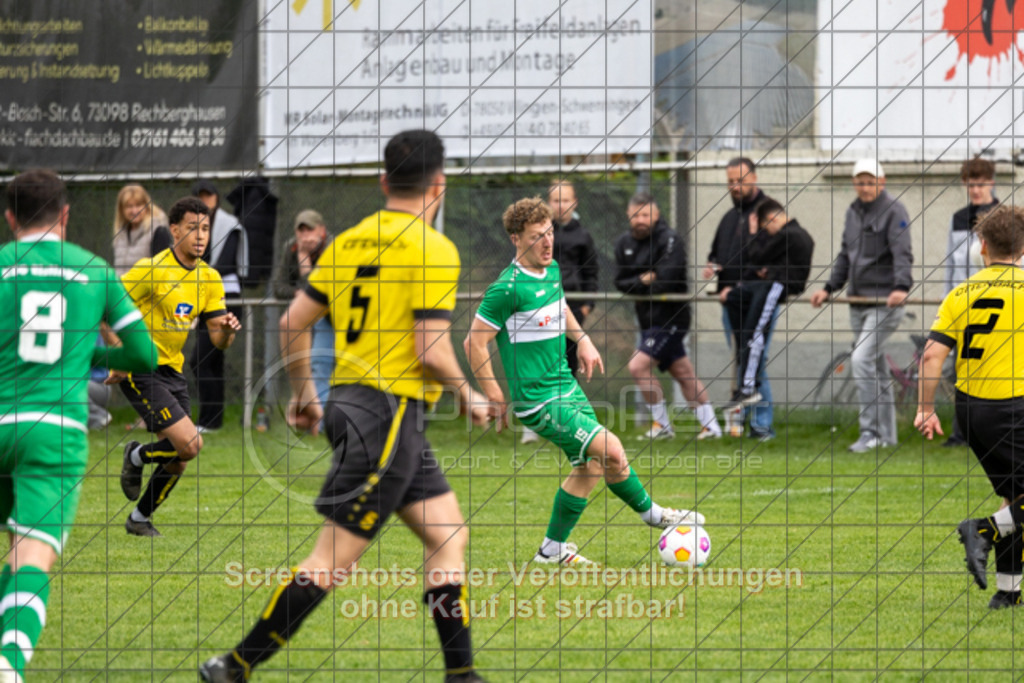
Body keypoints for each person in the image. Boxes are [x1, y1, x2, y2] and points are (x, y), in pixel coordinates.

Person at [200, 130, 496, 683]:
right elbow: (429, 349)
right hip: (385, 416)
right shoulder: (433, 247)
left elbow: (293, 323)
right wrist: (469, 393)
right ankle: (234, 665)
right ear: (439, 184)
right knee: (331, 559)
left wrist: (306, 398)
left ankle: (462, 676)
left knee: (447, 533)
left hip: (355, 407)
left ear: (384, 181)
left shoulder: (349, 242)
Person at [465, 196, 705, 567]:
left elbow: (560, 307)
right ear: (515, 239)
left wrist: (583, 340)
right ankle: (657, 517)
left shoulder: (552, 269)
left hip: (565, 386)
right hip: (537, 399)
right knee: (610, 448)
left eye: (549, 233)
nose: (547, 243)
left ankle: (552, 550)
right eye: (535, 236)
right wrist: (495, 393)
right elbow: (474, 341)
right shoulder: (507, 289)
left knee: (593, 465)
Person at [0, 169, 157, 681]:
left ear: (9, 219)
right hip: (53, 431)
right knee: (32, 554)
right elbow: (143, 354)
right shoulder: (94, 271)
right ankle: (9, 664)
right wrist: (79, 351)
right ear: (65, 216)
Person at [915, 204, 1024, 609]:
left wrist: (926, 409)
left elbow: (931, 357)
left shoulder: (961, 293)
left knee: (1017, 494)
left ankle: (1007, 592)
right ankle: (983, 530)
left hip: (970, 411)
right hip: (1013, 406)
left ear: (982, 246)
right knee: (1016, 501)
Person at [113, 197, 242, 537]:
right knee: (191, 444)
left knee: (179, 459)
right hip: (142, 365)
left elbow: (217, 338)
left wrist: (226, 333)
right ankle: (138, 456)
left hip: (173, 371)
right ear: (174, 230)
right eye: (191, 228)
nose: (200, 236)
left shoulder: (209, 278)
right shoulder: (152, 269)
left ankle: (139, 519)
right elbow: (107, 306)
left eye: (205, 229)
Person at [809, 159, 914, 452]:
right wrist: (829, 288)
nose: (865, 187)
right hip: (857, 301)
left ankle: (870, 432)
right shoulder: (853, 212)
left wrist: (901, 287)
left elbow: (903, 253)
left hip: (884, 303)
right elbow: (846, 254)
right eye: (860, 181)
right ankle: (887, 437)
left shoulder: (895, 211)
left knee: (860, 360)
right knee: (876, 368)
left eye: (870, 181)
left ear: (882, 182)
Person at [614, 191, 722, 441]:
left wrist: (643, 281)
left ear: (656, 214)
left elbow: (667, 278)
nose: (640, 220)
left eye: (646, 214)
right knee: (683, 372)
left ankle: (661, 426)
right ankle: (712, 428)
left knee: (637, 365)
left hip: (672, 319)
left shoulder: (670, 239)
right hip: (648, 320)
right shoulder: (624, 243)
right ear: (628, 215)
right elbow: (620, 282)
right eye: (636, 215)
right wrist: (644, 278)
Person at [521, 179, 598, 445]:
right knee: (539, 361)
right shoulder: (540, 232)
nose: (560, 205)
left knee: (566, 364)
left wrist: (586, 306)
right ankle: (533, 425)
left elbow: (592, 273)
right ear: (548, 203)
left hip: (571, 308)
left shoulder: (583, 235)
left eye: (565, 200)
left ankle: (568, 422)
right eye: (555, 200)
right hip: (539, 305)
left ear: (574, 202)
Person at [703, 157, 775, 438]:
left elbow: (769, 259)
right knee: (743, 360)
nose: (735, 186)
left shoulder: (768, 212)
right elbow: (717, 254)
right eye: (730, 182)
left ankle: (762, 425)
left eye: (740, 180)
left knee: (756, 360)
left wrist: (739, 285)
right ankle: (741, 421)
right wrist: (712, 266)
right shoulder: (729, 217)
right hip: (730, 304)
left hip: (759, 299)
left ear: (754, 178)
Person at [723, 199, 815, 413]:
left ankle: (748, 388)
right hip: (767, 283)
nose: (769, 232)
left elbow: (756, 256)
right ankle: (743, 342)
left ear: (773, 219)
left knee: (755, 334)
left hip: (775, 286)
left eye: (767, 227)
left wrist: (754, 232)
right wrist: (767, 269)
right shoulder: (792, 236)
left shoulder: (788, 234)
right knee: (734, 298)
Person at [941, 156, 1000, 448]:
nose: (975, 190)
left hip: (994, 306)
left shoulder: (1003, 218)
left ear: (991, 182)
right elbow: (952, 267)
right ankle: (960, 433)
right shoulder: (957, 218)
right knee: (959, 370)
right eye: (970, 184)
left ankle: (991, 432)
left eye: (981, 184)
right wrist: (946, 304)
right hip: (963, 305)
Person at [190, 179, 250, 432]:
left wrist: (196, 271)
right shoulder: (194, 228)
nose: (206, 201)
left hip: (226, 299)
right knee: (213, 362)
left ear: (216, 197)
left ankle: (208, 420)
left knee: (200, 360)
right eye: (200, 196)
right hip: (205, 298)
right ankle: (214, 420)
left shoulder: (229, 225)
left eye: (209, 195)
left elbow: (227, 264)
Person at [270, 209, 334, 417]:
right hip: (311, 318)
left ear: (322, 230)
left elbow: (326, 288)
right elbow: (279, 288)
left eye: (311, 230)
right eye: (302, 231)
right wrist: (300, 293)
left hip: (339, 316)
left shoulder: (335, 247)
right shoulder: (292, 248)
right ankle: (320, 421)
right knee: (318, 366)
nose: (306, 237)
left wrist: (305, 271)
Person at [111, 183, 171, 276]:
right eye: (129, 206)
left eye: (138, 205)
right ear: (121, 209)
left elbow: (163, 272)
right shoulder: (120, 234)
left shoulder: (158, 231)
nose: (134, 211)